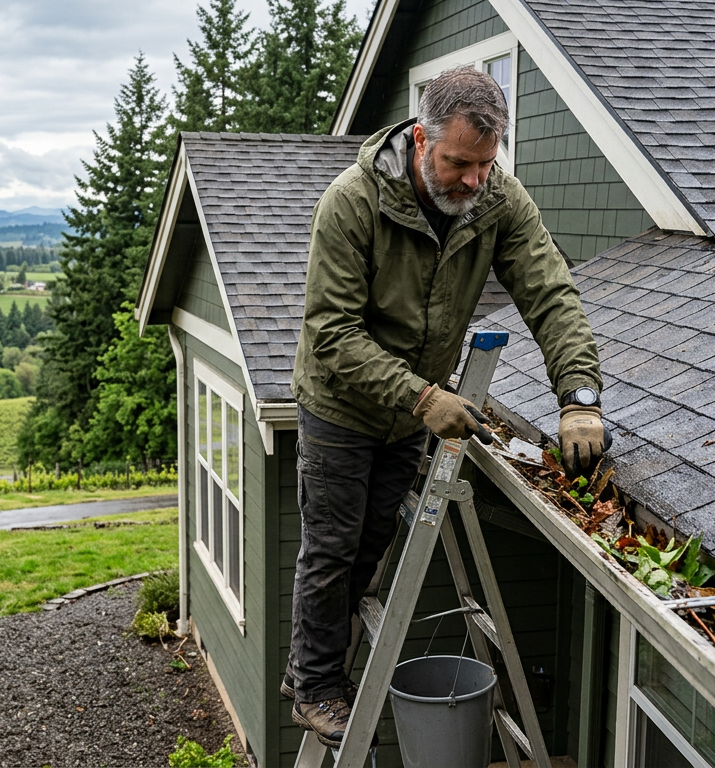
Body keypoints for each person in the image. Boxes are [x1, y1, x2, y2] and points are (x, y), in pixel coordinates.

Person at [285, 66, 608, 747]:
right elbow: (331, 334)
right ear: (423, 138)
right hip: (343, 403)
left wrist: (578, 397)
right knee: (331, 550)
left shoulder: (498, 201)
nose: (472, 181)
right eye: (459, 163)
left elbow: (550, 292)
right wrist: (423, 396)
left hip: (412, 409)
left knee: (372, 544)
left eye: (485, 165)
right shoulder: (352, 203)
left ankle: (324, 669)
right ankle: (312, 685)